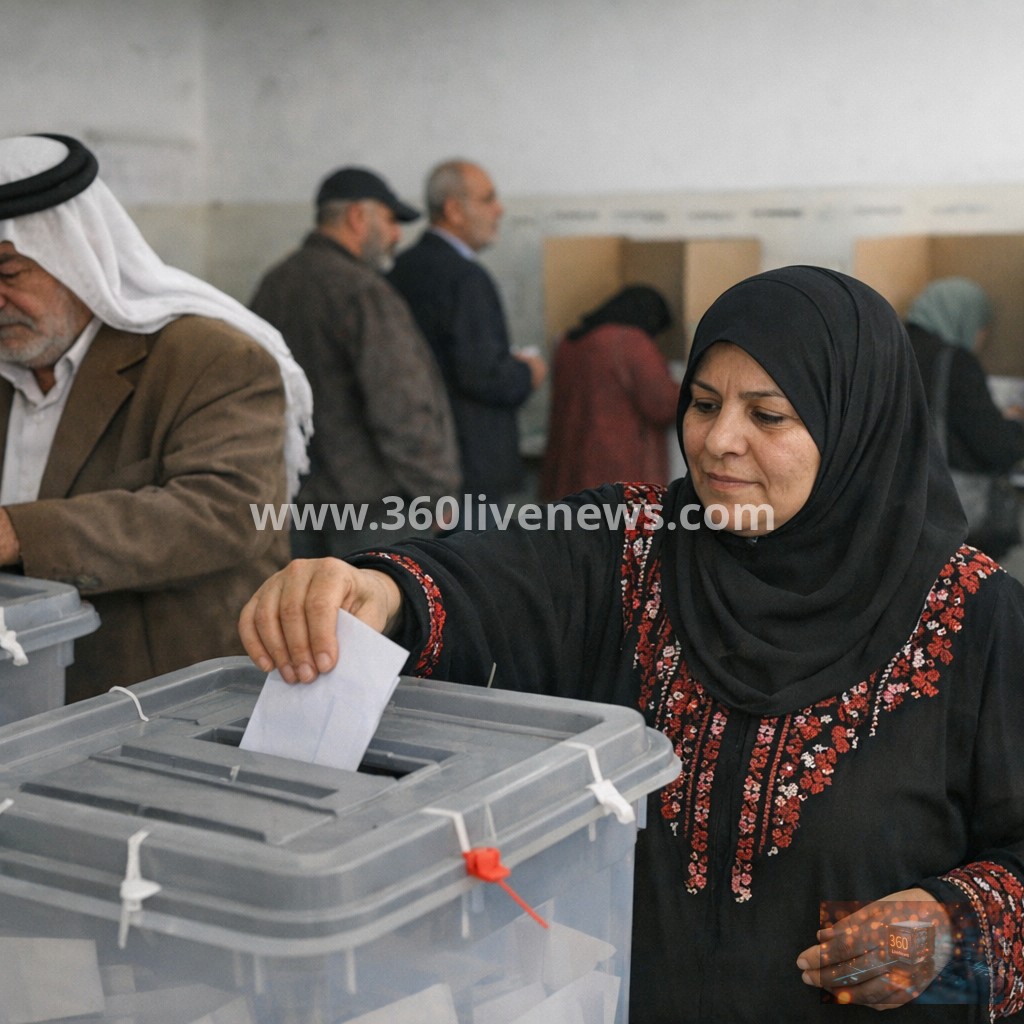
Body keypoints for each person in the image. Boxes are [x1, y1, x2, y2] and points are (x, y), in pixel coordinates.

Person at [240, 266, 1024, 1022]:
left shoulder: (973, 616)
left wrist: (955, 927)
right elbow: (491, 575)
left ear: (857, 422)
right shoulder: (632, 545)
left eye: (768, 414)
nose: (718, 441)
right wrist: (375, 591)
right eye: (704, 403)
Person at [0, 132, 313, 703]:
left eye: (10, 273)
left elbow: (229, 511)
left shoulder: (214, 358)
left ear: (78, 257)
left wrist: (20, 532)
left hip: (162, 696)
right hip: (23, 686)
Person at [250, 165, 461, 557]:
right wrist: (436, 493)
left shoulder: (273, 284)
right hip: (373, 513)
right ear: (357, 217)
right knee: (373, 617)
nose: (397, 234)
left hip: (297, 505)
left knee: (311, 615)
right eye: (391, 220)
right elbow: (401, 407)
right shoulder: (363, 292)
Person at [387, 159, 546, 523]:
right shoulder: (465, 278)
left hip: (417, 461)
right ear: (454, 210)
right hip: (469, 466)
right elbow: (481, 374)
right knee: (471, 572)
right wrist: (526, 372)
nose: (499, 209)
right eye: (488, 199)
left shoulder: (402, 268)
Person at [906, 276, 1024, 558]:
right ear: (965, 316)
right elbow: (995, 447)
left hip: (891, 511)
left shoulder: (890, 344)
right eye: (983, 326)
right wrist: (1014, 424)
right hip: (945, 519)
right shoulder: (954, 362)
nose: (982, 337)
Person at [539, 284, 678, 502]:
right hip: (616, 469)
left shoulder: (569, 341)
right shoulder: (631, 342)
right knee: (621, 533)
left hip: (567, 466)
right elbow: (663, 405)